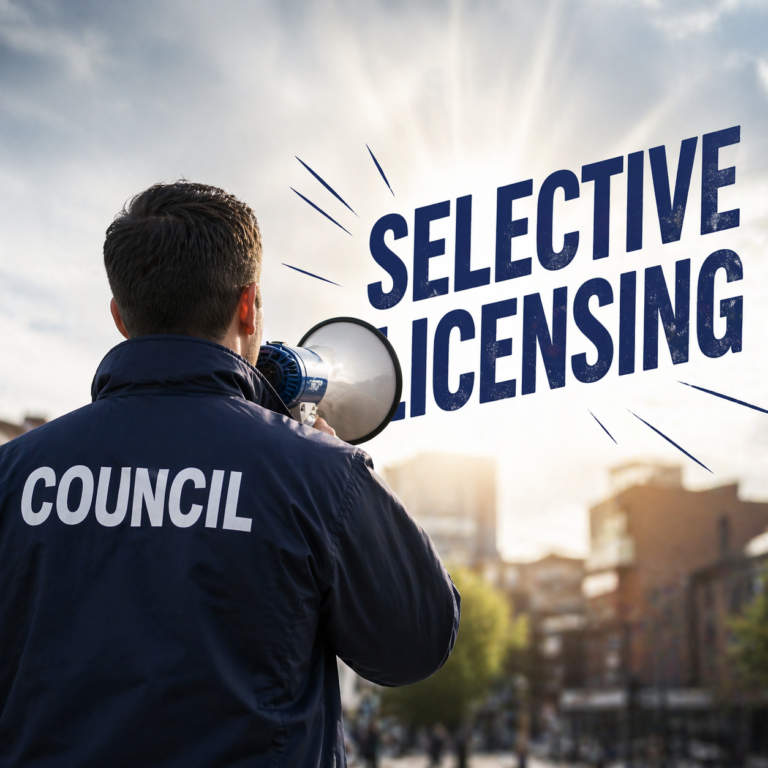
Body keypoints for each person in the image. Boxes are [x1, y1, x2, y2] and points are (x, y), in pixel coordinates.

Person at [0, 181, 460, 766]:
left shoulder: (11, 474)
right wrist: (339, 469)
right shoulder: (320, 474)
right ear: (248, 305)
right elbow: (419, 642)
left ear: (120, 316)